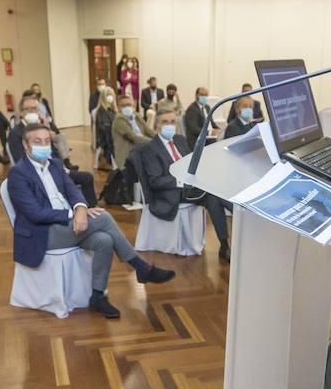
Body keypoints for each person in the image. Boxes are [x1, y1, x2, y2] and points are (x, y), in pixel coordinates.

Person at [7, 123, 174, 318]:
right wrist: (74, 214)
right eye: (37, 142)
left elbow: (72, 191)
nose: (43, 145)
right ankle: (140, 267)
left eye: (46, 141)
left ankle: (97, 296)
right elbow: (35, 213)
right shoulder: (18, 173)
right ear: (26, 145)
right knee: (103, 217)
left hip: (68, 227)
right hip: (43, 234)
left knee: (105, 240)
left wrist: (80, 208)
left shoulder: (55, 165)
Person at [138, 110, 231, 262]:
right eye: (165, 122)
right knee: (214, 193)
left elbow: (190, 165)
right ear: (156, 126)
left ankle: (224, 245)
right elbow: (155, 181)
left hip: (190, 189)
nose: (170, 125)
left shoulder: (180, 140)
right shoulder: (150, 148)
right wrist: (181, 180)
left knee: (214, 197)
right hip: (171, 193)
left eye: (173, 122)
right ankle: (240, 213)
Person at [8, 98, 96, 205]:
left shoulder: (41, 128)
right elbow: (19, 159)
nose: (32, 112)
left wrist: (62, 166)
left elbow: (54, 151)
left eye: (34, 109)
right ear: (21, 112)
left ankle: (90, 208)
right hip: (39, 174)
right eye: (27, 109)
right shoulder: (16, 133)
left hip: (55, 168)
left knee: (87, 177)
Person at [111, 95, 153, 176]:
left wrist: (163, 137)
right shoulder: (118, 121)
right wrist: (156, 142)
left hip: (143, 149)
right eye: (123, 105)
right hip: (128, 156)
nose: (127, 107)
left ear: (133, 105)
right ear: (119, 107)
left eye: (129, 105)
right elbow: (134, 138)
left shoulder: (136, 116)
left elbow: (149, 131)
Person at [93, 88, 117, 170]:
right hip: (105, 138)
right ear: (103, 97)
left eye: (111, 94)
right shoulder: (101, 111)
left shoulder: (113, 110)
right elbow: (103, 128)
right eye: (107, 95)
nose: (110, 97)